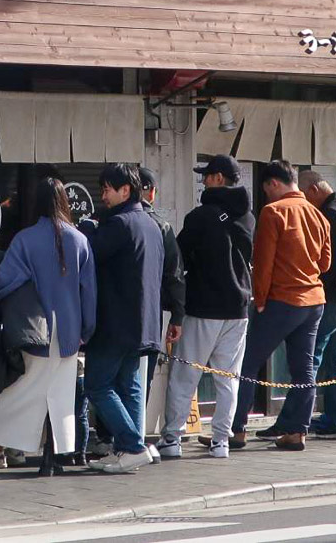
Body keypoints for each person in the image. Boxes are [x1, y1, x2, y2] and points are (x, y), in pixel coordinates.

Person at [0, 178, 97, 477]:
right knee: (61, 396)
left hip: (35, 328)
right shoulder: (80, 240)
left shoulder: (25, 239)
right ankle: (53, 456)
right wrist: (87, 328)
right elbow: (89, 291)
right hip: (70, 329)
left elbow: (5, 280)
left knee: (21, 389)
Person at [259, 171, 336, 441]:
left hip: (330, 297)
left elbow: (328, 264)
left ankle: (290, 422)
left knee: (308, 359)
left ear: (312, 190)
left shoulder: (330, 214)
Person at [157, 154, 254, 460]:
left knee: (185, 374)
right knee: (228, 379)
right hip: (238, 309)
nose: (202, 180)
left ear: (218, 179)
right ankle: (221, 442)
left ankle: (172, 438)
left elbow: (179, 258)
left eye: (206, 175)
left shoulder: (200, 217)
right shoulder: (249, 218)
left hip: (203, 307)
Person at [230, 160, 331, 453]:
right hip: (314, 300)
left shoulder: (274, 212)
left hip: (281, 300)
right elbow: (325, 263)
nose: (267, 195)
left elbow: (263, 264)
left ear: (274, 183)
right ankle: (297, 432)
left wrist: (259, 300)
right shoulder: (318, 214)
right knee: (304, 370)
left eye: (267, 189)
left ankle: (236, 430)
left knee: (248, 362)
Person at [83, 163, 163, 475]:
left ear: (125, 190)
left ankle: (132, 446)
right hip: (143, 322)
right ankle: (127, 450)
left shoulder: (118, 225)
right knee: (129, 385)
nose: (102, 196)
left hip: (114, 321)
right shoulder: (150, 223)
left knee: (98, 385)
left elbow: (91, 252)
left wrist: (89, 228)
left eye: (106, 189)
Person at [138, 167, 185, 464]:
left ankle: (110, 436)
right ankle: (133, 437)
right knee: (141, 379)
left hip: (111, 316)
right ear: (152, 191)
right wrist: (177, 316)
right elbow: (175, 275)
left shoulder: (105, 222)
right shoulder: (161, 226)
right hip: (151, 315)